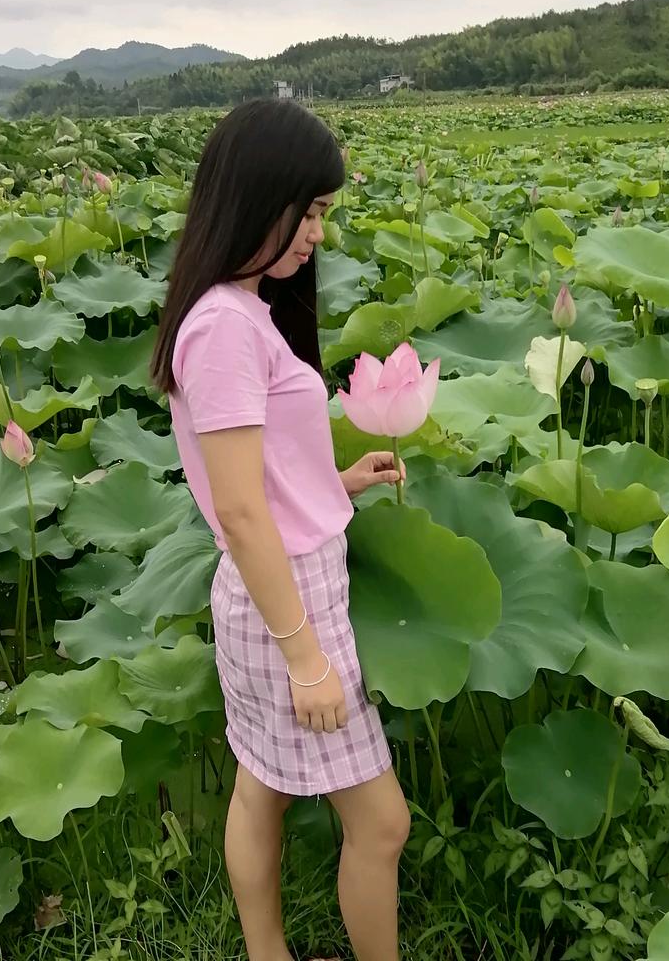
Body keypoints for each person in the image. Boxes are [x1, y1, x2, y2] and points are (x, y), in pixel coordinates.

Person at [149, 99, 410, 961]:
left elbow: (257, 478)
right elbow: (238, 511)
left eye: (325, 213)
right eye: (311, 212)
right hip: (285, 602)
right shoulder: (224, 327)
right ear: (261, 198)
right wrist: (306, 657)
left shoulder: (239, 308)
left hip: (277, 583)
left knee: (260, 787)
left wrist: (335, 483)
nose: (318, 235)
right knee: (381, 824)